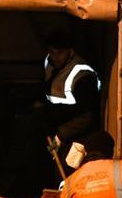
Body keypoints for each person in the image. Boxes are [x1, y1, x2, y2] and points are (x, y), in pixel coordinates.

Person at [41, 29, 100, 160]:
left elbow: (88, 114)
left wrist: (62, 135)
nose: (55, 57)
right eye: (52, 52)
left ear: (70, 51)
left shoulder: (82, 75)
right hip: (53, 133)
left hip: (76, 139)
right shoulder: (49, 63)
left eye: (60, 53)